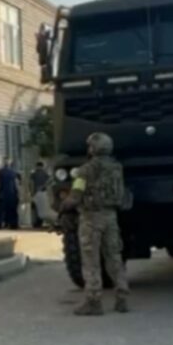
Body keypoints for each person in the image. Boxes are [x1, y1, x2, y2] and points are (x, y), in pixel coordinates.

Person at [64, 132, 129, 316]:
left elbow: (76, 195)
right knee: (114, 257)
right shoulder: (117, 168)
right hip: (111, 217)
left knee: (91, 260)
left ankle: (93, 301)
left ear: (93, 148)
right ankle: (122, 297)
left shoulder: (85, 170)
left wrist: (64, 207)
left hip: (91, 218)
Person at [0, 158, 21, 230]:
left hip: (2, 193)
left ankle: (0, 224)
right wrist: (18, 193)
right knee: (12, 209)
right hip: (12, 193)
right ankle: (13, 224)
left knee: (1, 209)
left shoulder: (0, 172)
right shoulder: (14, 172)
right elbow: (17, 184)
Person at [29, 161, 51, 228]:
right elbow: (49, 182)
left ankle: (36, 222)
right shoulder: (45, 174)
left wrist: (31, 193)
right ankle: (40, 222)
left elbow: (31, 183)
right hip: (44, 193)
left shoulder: (33, 174)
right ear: (42, 166)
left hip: (35, 193)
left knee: (35, 208)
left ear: (37, 166)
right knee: (42, 208)